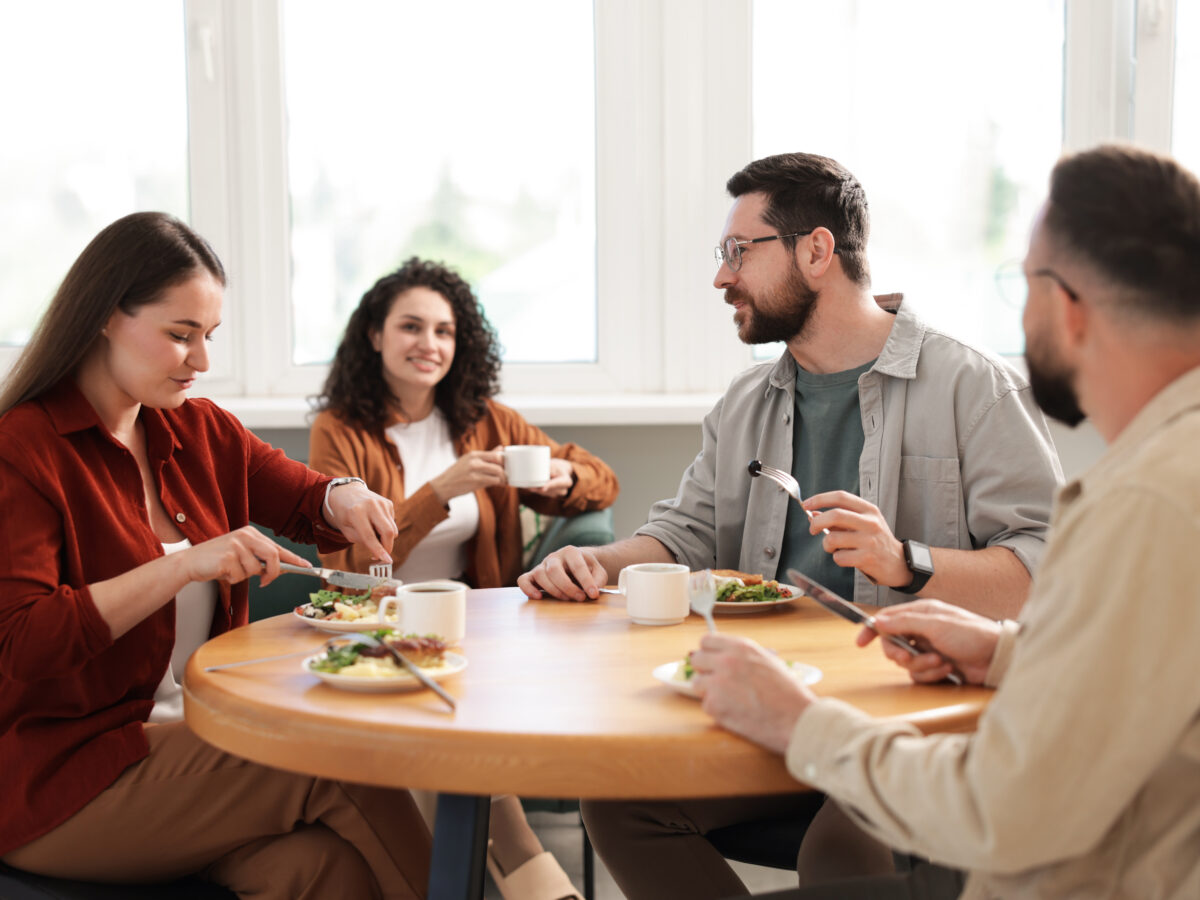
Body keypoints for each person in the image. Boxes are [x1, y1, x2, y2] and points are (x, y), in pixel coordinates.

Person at [519, 152, 1063, 896]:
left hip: (916, 722)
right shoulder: (744, 403)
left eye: (739, 252)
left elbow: (1047, 577)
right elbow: (685, 532)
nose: (722, 277)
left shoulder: (975, 387)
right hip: (775, 705)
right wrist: (594, 565)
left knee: (843, 848)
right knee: (619, 802)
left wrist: (906, 560)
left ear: (816, 250)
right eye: (723, 254)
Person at [692, 143, 1200, 899]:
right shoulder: (1167, 470)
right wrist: (1002, 650)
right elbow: (1141, 675)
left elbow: (1009, 805)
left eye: (1021, 283)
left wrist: (801, 723)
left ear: (1065, 304)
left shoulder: (1147, 503)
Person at [0, 212, 431, 898]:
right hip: (64, 782)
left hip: (186, 752)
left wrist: (346, 497)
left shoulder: (197, 430)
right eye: (180, 336)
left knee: (329, 871)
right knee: (330, 758)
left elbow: (306, 498)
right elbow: (20, 644)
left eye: (208, 336)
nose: (201, 361)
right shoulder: (23, 448)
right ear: (107, 316)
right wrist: (186, 562)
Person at [308, 256, 619, 900]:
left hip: (474, 625)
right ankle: (536, 880)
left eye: (444, 331)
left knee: (435, 719)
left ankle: (465, 878)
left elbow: (601, 478)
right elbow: (346, 566)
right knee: (436, 723)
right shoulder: (339, 430)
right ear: (375, 335)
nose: (430, 344)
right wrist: (438, 491)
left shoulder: (483, 419)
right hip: (376, 624)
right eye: (412, 327)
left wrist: (566, 482)